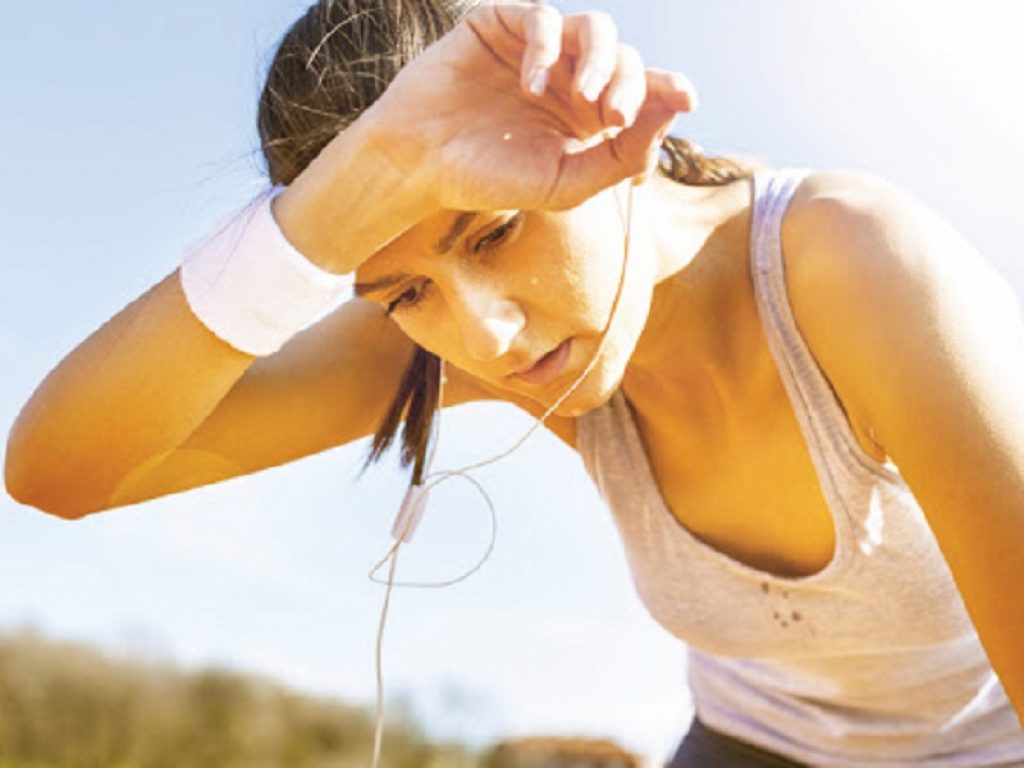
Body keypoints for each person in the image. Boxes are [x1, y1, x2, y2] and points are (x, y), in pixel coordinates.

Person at [5, 1, 1024, 764]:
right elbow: (60, 470)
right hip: (751, 743)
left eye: (493, 231)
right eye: (403, 291)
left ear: (593, 128)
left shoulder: (858, 268)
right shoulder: (455, 338)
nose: (482, 332)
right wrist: (312, 228)